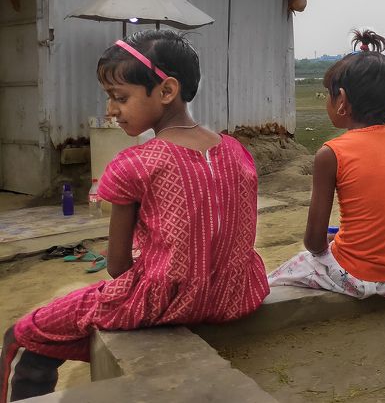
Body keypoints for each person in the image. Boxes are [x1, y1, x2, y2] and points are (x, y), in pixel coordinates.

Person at [1, 30, 268, 401]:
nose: (111, 110)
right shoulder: (237, 151)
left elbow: (117, 266)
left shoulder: (136, 164)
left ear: (166, 91)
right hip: (235, 294)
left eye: (119, 98)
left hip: (168, 304)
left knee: (23, 334)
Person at [268, 29, 385, 299]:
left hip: (360, 277)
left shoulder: (331, 154)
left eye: (329, 95)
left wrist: (330, 243)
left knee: (281, 276)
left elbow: (314, 243)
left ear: (341, 100)